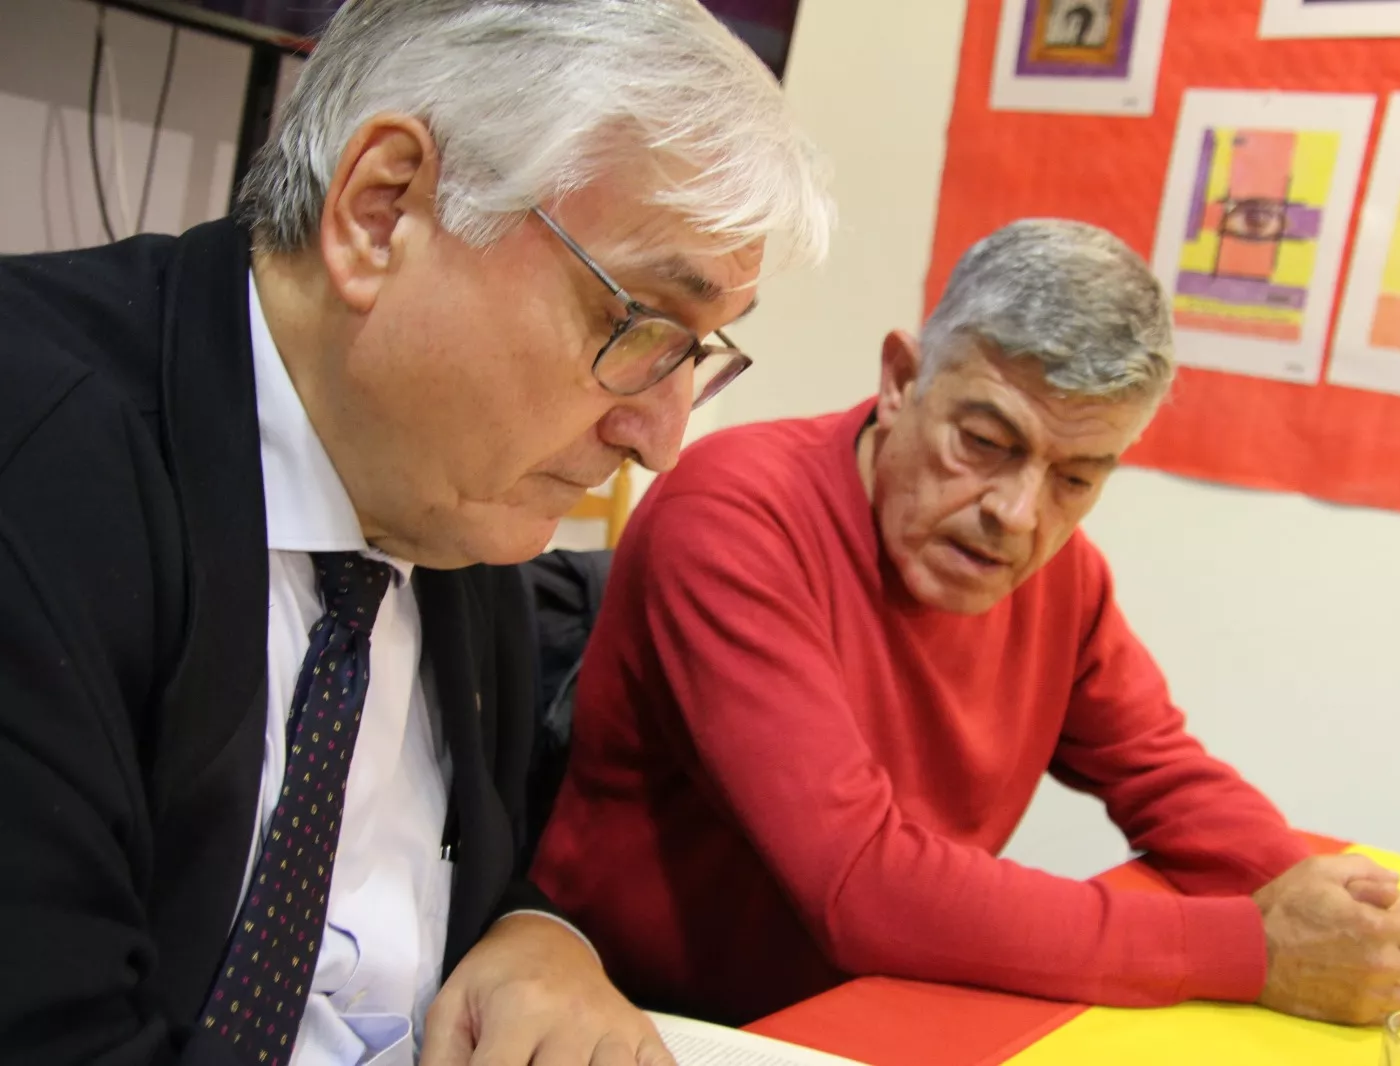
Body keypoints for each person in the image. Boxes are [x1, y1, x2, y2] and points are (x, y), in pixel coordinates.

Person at [0, 1, 831, 1063]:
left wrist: (541, 933)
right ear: (381, 210)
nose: (661, 439)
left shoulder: (446, 500)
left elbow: (400, 869)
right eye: (639, 325)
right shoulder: (37, 465)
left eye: (697, 352)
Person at [531, 219, 1400, 1027]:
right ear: (900, 379)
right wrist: (1253, 951)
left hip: (888, 1006)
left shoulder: (1063, 578)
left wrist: (1311, 898)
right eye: (985, 443)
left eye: (1077, 477)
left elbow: (1163, 773)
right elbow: (864, 885)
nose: (1017, 512)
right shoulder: (735, 516)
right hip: (645, 1019)